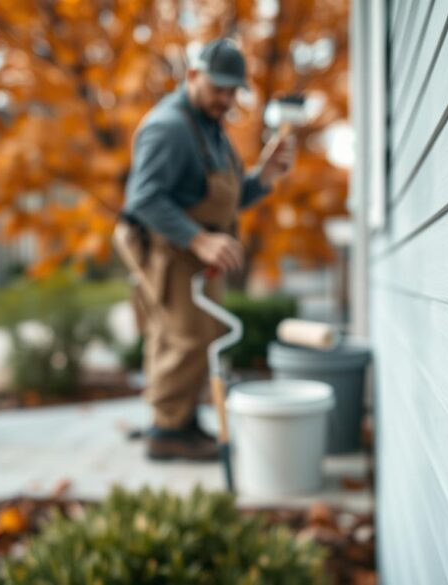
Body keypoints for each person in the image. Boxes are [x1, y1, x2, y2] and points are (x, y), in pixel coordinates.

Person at [113, 38, 295, 461]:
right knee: (182, 339)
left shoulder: (211, 129)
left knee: (199, 337)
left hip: (197, 255)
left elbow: (225, 197)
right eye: (219, 88)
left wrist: (263, 177)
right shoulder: (169, 128)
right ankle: (166, 432)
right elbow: (144, 199)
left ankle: (183, 424)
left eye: (234, 91)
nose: (227, 99)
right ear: (193, 76)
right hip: (169, 251)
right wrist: (199, 239)